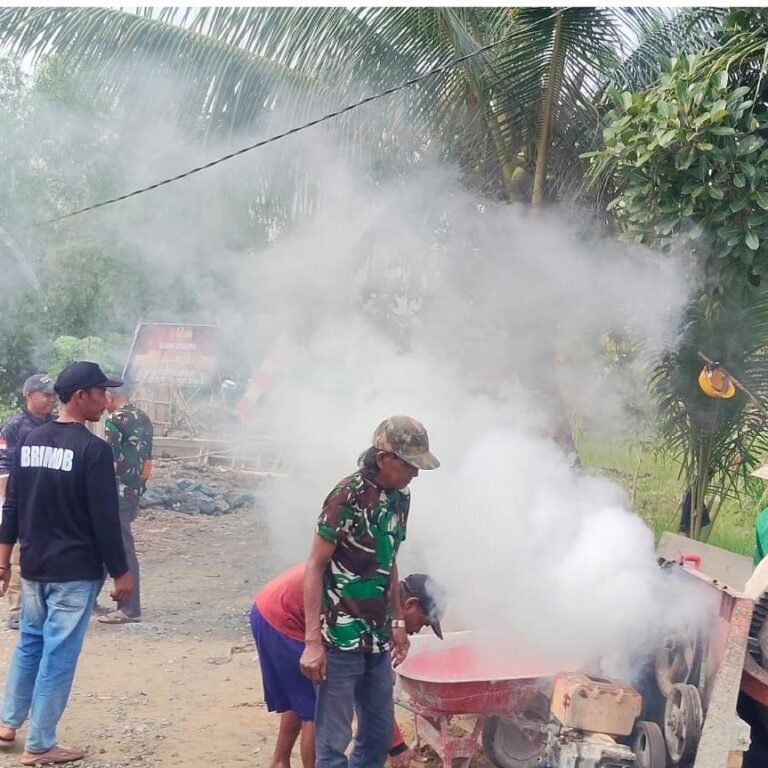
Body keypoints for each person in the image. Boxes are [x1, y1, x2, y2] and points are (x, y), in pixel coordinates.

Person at [0, 361, 132, 766]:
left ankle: (7, 724)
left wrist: (4, 562)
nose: (105, 401)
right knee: (58, 654)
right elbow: (105, 520)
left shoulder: (30, 440)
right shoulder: (94, 450)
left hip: (34, 567)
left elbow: (12, 505)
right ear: (80, 396)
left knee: (30, 643)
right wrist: (122, 572)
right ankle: (40, 744)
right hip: (74, 572)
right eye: (100, 392)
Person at [301, 415, 440, 768]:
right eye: (409, 465)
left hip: (377, 639)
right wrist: (313, 642)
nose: (415, 474)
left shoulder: (400, 498)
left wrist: (397, 621)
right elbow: (314, 566)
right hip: (340, 638)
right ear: (383, 459)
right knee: (333, 744)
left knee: (377, 736)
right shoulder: (345, 497)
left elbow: (388, 560)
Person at [251, 565, 445, 768]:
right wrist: (396, 745)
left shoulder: (382, 594)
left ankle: (280, 762)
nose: (417, 630)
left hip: (270, 605)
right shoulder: (371, 607)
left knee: (302, 695)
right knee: (320, 707)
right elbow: (368, 688)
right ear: (410, 604)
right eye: (423, 623)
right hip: (283, 617)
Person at [0, 374, 57, 630]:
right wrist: (14, 503)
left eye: (54, 395)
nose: (52, 399)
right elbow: (3, 467)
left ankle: (45, 606)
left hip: (51, 501)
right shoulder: (14, 427)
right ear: (29, 396)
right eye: (46, 394)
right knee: (18, 553)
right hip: (22, 501)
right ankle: (17, 609)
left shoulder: (57, 424)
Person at [98, 384, 154, 625]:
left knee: (122, 548)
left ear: (109, 396)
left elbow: (108, 463)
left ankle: (129, 608)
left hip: (115, 494)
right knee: (101, 543)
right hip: (132, 492)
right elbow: (147, 463)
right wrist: (139, 492)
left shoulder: (115, 420)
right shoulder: (143, 418)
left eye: (102, 396)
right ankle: (88, 598)